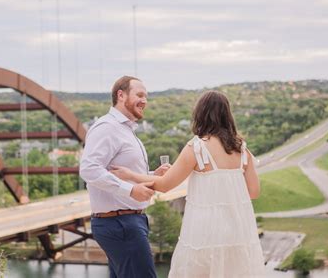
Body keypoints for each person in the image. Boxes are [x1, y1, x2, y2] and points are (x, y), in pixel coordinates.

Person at [111, 90, 266, 278]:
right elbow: (254, 192)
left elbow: (164, 185)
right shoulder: (242, 149)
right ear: (227, 115)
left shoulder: (197, 148)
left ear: (200, 114)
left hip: (204, 231)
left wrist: (131, 175)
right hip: (236, 231)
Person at [80, 75, 169, 278]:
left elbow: (117, 172)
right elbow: (89, 169)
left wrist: (152, 176)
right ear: (121, 95)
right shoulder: (107, 128)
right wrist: (130, 190)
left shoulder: (124, 130)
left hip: (127, 222)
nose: (144, 100)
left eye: (146, 96)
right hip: (120, 224)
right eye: (139, 94)